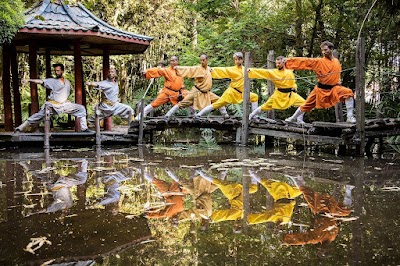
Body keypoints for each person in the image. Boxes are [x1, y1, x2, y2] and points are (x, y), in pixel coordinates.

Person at [284, 41, 356, 123]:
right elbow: (305, 61)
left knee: (348, 93)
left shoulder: (336, 61)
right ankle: (293, 118)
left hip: (333, 89)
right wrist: (287, 61)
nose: (323, 52)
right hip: (320, 89)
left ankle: (350, 117)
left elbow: (337, 74)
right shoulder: (319, 62)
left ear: (331, 49)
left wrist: (337, 81)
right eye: (322, 50)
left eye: (325, 50)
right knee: (307, 104)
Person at [15, 63, 92, 132]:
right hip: (51, 105)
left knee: (81, 108)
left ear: (62, 71)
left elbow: (65, 93)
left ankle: (84, 128)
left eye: (58, 70)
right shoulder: (53, 81)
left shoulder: (67, 82)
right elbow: (40, 81)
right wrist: (29, 80)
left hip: (63, 105)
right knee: (38, 116)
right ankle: (20, 128)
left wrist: (65, 100)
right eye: (55, 71)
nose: (56, 72)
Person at [194, 52, 259, 118]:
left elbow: (255, 72)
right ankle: (199, 114)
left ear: (242, 60)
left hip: (242, 93)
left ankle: (255, 117)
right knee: (217, 104)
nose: (237, 61)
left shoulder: (245, 69)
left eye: (239, 59)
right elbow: (223, 70)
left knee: (254, 97)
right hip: (231, 93)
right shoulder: (232, 69)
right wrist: (212, 70)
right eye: (236, 59)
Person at [164, 54, 228, 120]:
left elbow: (217, 70)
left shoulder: (208, 69)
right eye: (201, 60)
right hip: (196, 92)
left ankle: (225, 115)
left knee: (219, 100)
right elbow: (189, 69)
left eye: (203, 60)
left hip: (206, 93)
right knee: (183, 103)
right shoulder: (198, 68)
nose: (202, 62)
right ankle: (167, 115)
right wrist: (178, 68)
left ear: (207, 60)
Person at [247, 56, 306, 121]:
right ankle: (252, 115)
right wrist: (251, 70)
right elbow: (263, 72)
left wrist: (294, 88)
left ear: (283, 63)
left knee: (304, 104)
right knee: (265, 106)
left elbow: (293, 81)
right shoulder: (274, 72)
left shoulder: (289, 71)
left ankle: (298, 120)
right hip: (278, 95)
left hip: (290, 94)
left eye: (279, 63)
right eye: (276, 63)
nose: (277, 65)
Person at [133, 56, 188, 122]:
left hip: (178, 93)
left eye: (173, 61)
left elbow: (183, 79)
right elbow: (158, 70)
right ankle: (141, 115)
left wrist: (182, 87)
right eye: (171, 61)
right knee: (155, 103)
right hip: (167, 92)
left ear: (177, 62)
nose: (172, 62)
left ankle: (194, 114)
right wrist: (147, 72)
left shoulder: (181, 70)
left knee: (190, 97)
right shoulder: (167, 70)